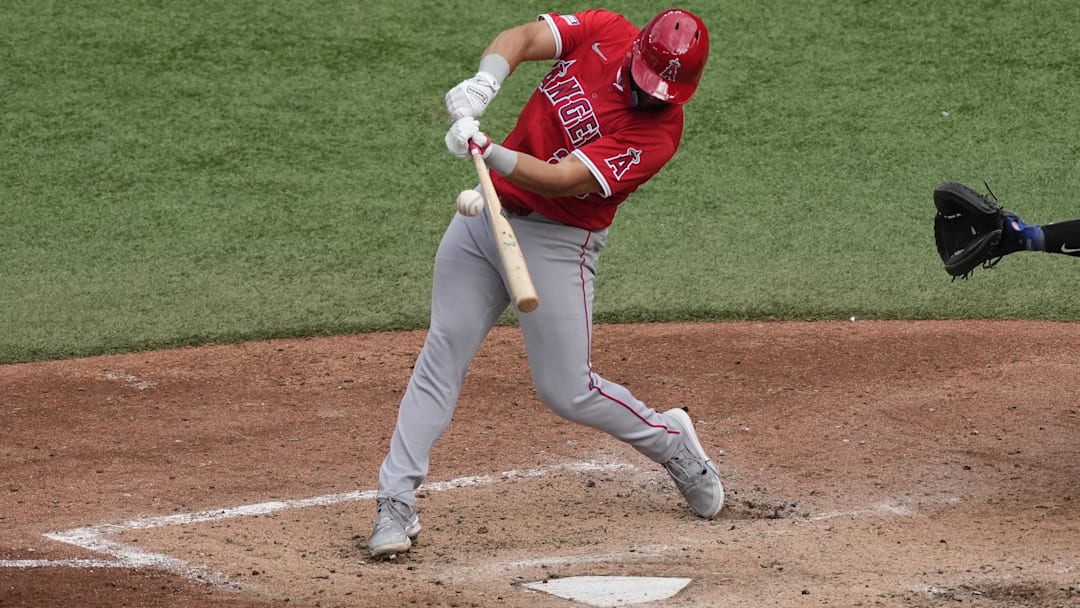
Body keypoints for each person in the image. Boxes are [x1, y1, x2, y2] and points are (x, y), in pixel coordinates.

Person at [367, 9, 722, 559]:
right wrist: (485, 83)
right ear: (637, 51)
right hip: (485, 219)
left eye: (666, 92)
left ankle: (672, 443)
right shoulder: (607, 31)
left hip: (558, 244)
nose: (655, 96)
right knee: (444, 350)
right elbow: (526, 37)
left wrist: (488, 150)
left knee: (568, 390)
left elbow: (563, 180)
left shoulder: (657, 133)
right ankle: (395, 501)